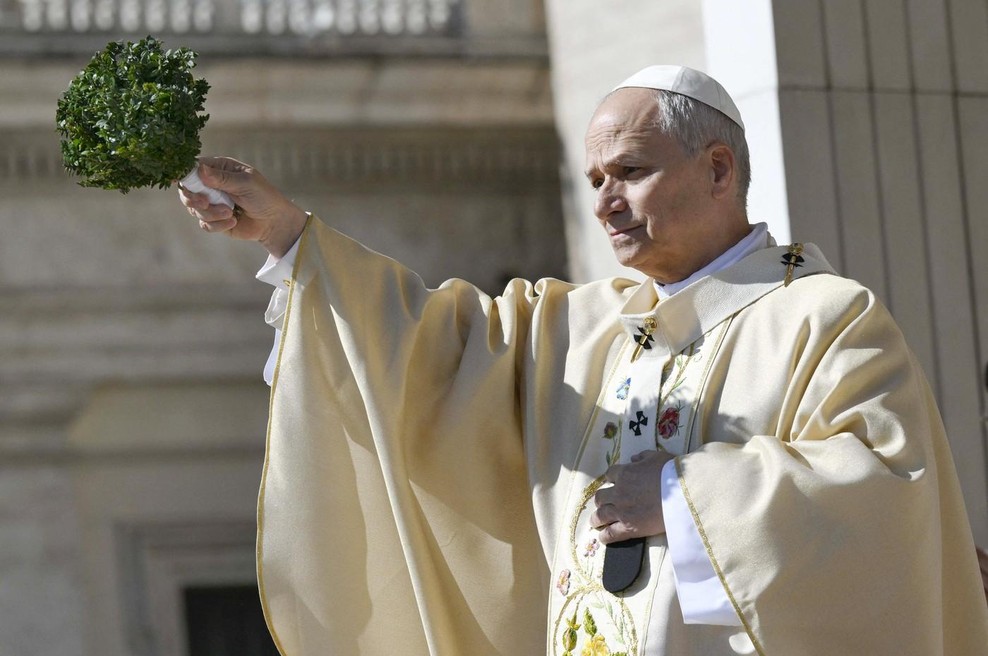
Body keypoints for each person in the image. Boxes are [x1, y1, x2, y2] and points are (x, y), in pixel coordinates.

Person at [180, 66, 988, 655]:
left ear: (718, 170)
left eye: (630, 172)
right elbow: (422, 352)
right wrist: (288, 235)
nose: (604, 201)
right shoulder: (576, 325)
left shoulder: (824, 315)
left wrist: (683, 495)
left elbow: (887, 493)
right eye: (596, 177)